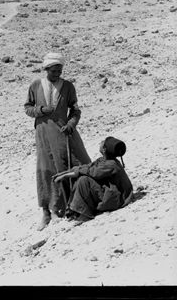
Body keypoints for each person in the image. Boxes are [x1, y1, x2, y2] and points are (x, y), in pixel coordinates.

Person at [24, 51, 92, 230]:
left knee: (74, 165)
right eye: (54, 71)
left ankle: (74, 205)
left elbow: (76, 110)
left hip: (64, 132)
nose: (57, 74)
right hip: (44, 134)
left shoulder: (68, 87)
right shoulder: (35, 85)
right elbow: (27, 108)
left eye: (59, 71)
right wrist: (40, 110)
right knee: (47, 169)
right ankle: (48, 212)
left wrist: (71, 124)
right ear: (46, 69)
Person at [54, 136, 134, 222]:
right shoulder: (103, 160)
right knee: (82, 178)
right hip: (109, 192)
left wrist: (65, 176)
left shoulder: (111, 165)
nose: (100, 142)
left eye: (103, 143)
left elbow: (92, 172)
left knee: (83, 180)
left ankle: (84, 213)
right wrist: (63, 173)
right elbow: (87, 167)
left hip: (117, 198)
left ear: (104, 150)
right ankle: (76, 210)